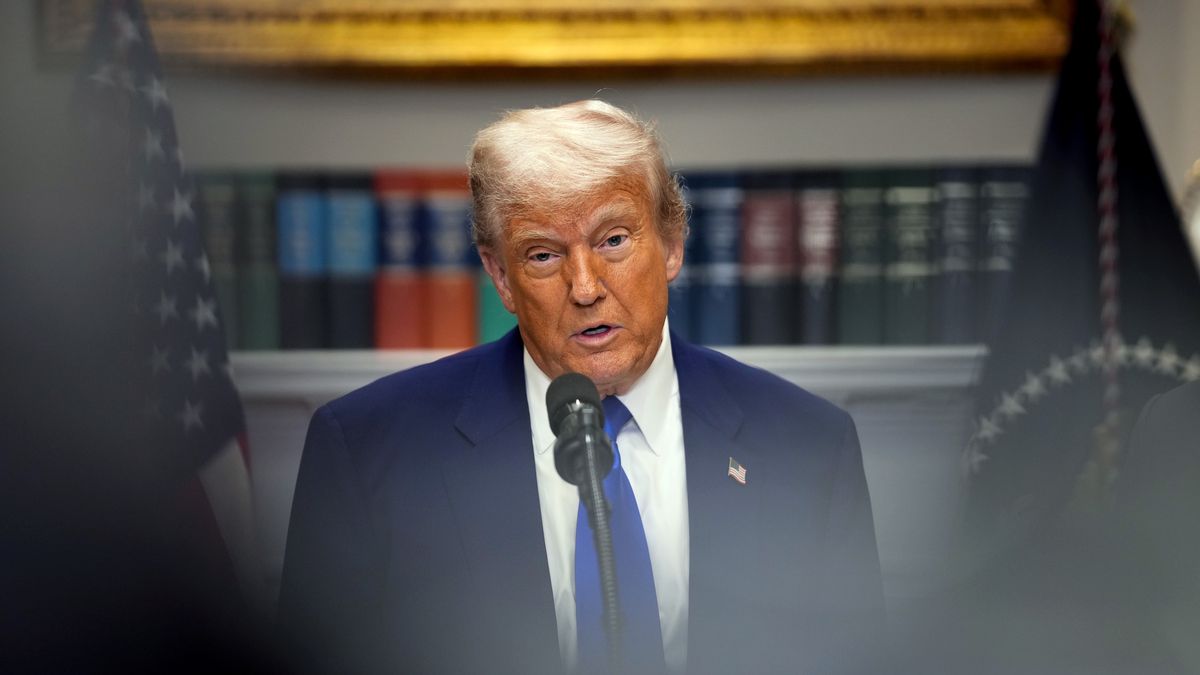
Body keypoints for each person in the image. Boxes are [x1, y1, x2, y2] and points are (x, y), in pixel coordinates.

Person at [277, 100, 883, 674]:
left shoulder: (808, 447)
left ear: (672, 243)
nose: (586, 286)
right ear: (501, 278)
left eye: (613, 240)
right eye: (542, 255)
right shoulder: (368, 453)